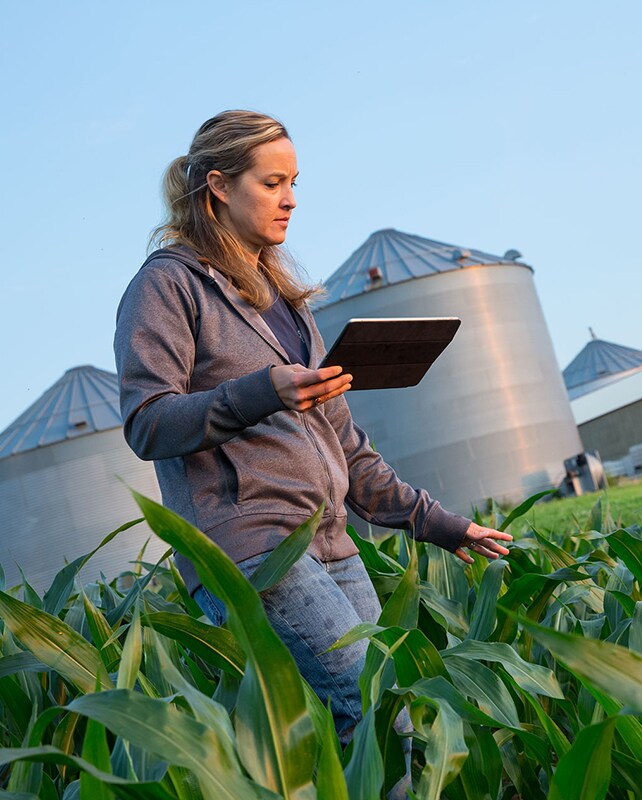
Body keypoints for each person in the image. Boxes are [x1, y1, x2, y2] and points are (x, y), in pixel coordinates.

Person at [114, 109, 511, 745]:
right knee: (380, 719)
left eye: (295, 182)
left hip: (331, 541)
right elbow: (146, 422)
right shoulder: (166, 285)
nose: (291, 200)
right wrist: (260, 393)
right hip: (252, 549)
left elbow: (346, 447)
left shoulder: (286, 303)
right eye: (272, 183)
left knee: (383, 714)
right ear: (218, 185)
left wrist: (437, 523)